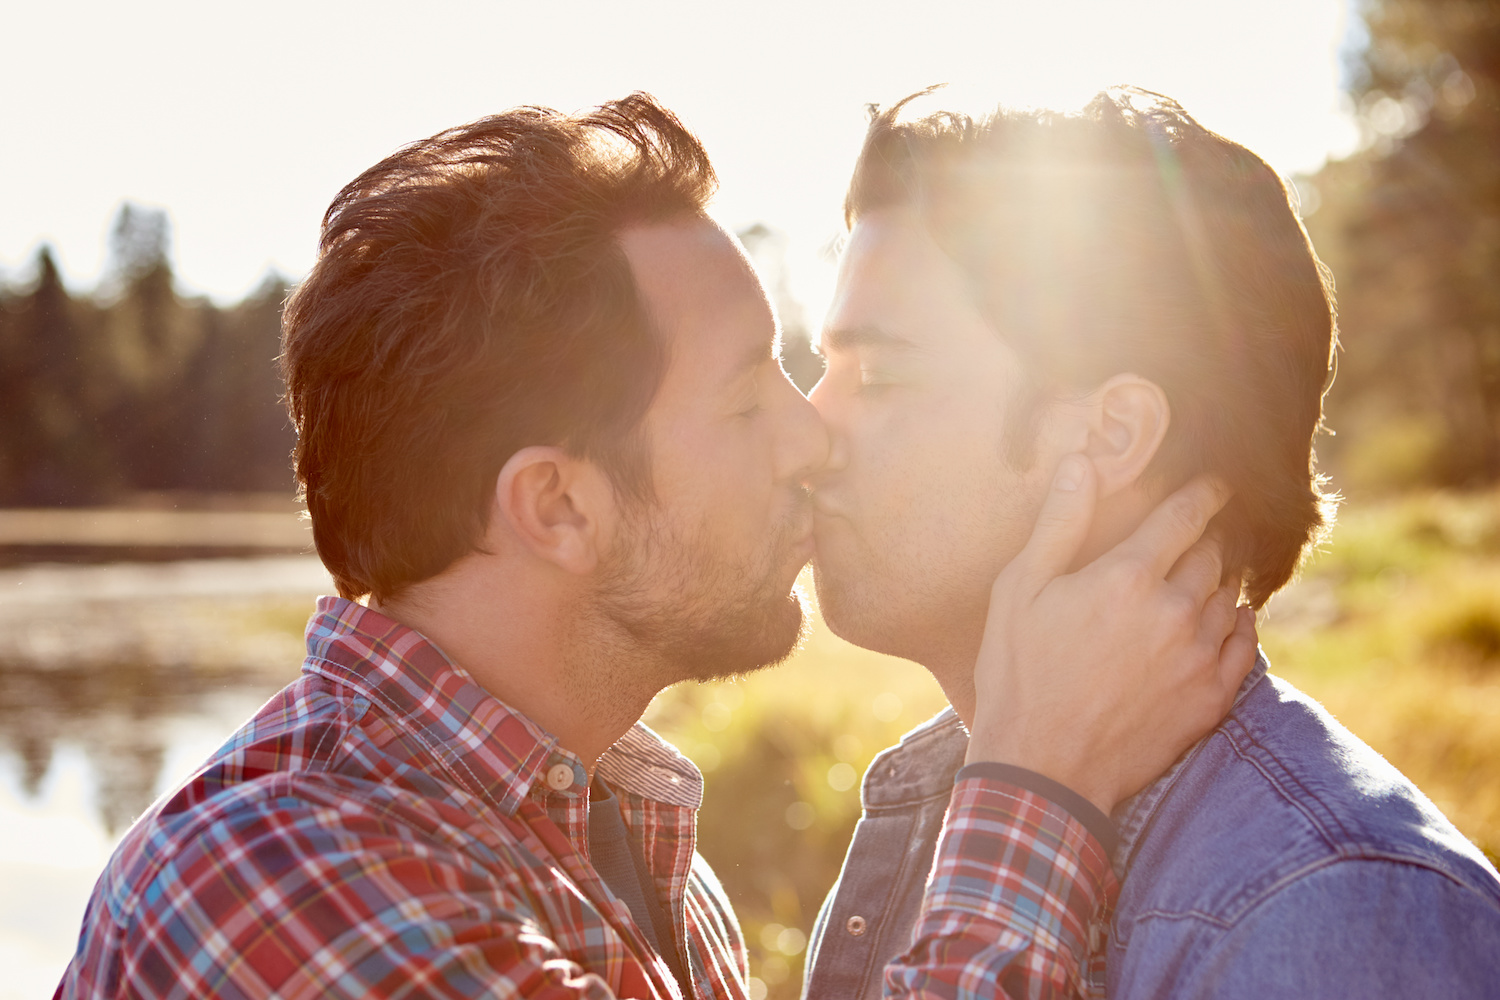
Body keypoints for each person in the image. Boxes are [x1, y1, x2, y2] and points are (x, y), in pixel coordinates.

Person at [55, 93, 1253, 1000]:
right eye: (745, 401)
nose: (810, 439)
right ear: (560, 507)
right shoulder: (282, 882)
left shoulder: (621, 830)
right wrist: (1038, 784)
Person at [801, 87, 1500, 1000]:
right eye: (826, 369)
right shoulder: (939, 814)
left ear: (1109, 434)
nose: (808, 429)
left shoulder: (1336, 913)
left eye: (881, 374)